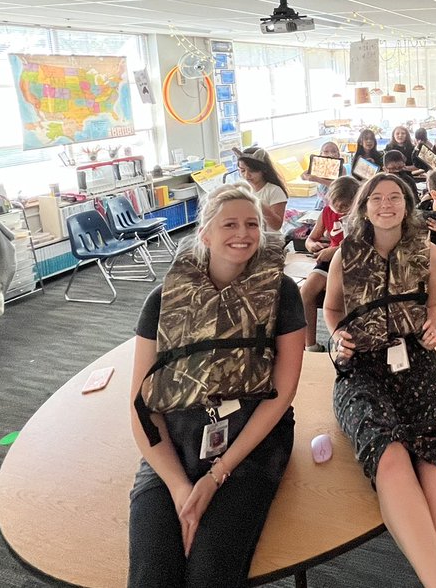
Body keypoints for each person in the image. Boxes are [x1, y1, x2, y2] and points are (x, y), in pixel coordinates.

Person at [128, 184, 305, 588]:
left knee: (211, 573)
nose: (242, 233)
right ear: (205, 233)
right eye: (230, 224)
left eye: (251, 224)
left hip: (251, 444)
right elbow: (141, 405)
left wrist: (216, 475)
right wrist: (177, 486)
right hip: (177, 442)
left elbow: (281, 393)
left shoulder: (281, 294)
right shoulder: (163, 299)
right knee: (152, 575)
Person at [325, 173, 436, 588]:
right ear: (364, 206)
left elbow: (431, 306)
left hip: (416, 361)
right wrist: (339, 338)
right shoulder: (345, 254)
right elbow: (333, 312)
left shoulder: (426, 252)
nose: (387, 204)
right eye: (377, 197)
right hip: (362, 369)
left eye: (396, 197)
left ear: (409, 206)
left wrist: (432, 328)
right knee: (389, 454)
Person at [298, 176, 360, 351]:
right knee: (305, 293)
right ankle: (310, 344)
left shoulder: (360, 215)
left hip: (352, 260)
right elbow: (311, 238)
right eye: (336, 205)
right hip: (328, 259)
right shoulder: (326, 212)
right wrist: (312, 245)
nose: (340, 210)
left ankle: (343, 341)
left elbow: (357, 242)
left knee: (344, 298)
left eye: (344, 207)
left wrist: (332, 251)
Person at [235, 146, 289, 232]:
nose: (246, 175)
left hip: (271, 239)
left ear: (263, 170)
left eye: (251, 171)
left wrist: (258, 204)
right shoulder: (242, 189)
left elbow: (276, 225)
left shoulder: (274, 190)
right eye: (242, 170)